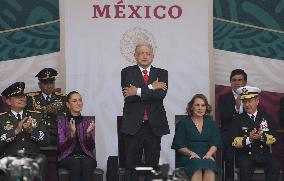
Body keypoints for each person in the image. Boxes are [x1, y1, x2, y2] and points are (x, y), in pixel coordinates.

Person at [121, 43, 169, 181]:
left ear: (152, 56)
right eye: (141, 53)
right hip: (133, 126)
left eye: (147, 53)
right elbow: (128, 97)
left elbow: (160, 95)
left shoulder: (162, 73)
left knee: (152, 165)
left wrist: (137, 90)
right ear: (135, 56)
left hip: (153, 126)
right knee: (131, 165)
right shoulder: (127, 72)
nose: (144, 56)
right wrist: (151, 87)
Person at [0, 82, 49, 180]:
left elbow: (46, 141)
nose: (22, 99)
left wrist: (31, 131)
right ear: (8, 101)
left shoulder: (36, 116)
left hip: (32, 156)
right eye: (17, 97)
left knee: (40, 160)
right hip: (10, 157)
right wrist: (15, 131)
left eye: (23, 96)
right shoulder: (2, 118)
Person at [231, 86, 280, 181]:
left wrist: (262, 137)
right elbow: (233, 141)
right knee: (244, 167)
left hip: (263, 154)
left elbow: (274, 139)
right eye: (244, 102)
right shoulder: (237, 119)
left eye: (250, 101)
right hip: (245, 155)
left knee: (275, 165)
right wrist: (249, 139)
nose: (247, 104)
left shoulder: (266, 117)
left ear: (257, 101)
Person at [172, 94, 223, 181]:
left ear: (206, 107)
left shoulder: (211, 123)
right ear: (192, 107)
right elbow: (179, 146)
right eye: (197, 105)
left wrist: (209, 154)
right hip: (188, 156)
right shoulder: (183, 124)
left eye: (203, 105)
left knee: (209, 166)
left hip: (206, 155)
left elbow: (215, 143)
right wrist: (191, 153)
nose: (200, 108)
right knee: (197, 166)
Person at [57, 91, 97, 181]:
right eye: (74, 101)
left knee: (87, 162)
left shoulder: (88, 121)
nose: (78, 103)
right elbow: (61, 147)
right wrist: (71, 135)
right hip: (67, 157)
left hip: (86, 156)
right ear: (68, 104)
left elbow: (91, 148)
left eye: (80, 100)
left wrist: (88, 134)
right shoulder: (61, 121)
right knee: (75, 162)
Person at [218, 69, 247, 181]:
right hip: (229, 134)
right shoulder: (223, 98)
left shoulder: (251, 97)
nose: (237, 82)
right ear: (230, 82)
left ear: (245, 82)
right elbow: (224, 117)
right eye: (234, 80)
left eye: (240, 80)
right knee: (229, 146)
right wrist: (236, 106)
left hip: (247, 134)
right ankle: (229, 178)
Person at [26, 68, 66, 145]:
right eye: (45, 83)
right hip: (38, 134)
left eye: (51, 83)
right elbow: (28, 116)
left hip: (57, 135)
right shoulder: (31, 98)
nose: (49, 86)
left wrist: (55, 113)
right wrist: (45, 110)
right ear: (39, 85)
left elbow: (66, 118)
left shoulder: (63, 98)